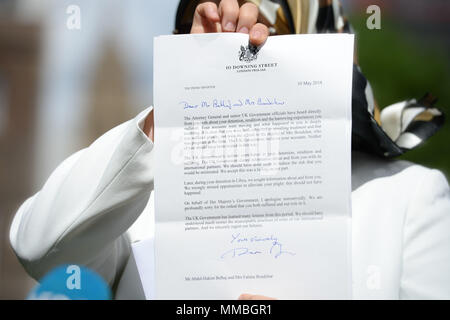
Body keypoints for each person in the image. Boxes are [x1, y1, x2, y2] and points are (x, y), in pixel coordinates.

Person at [9, 0, 450, 299]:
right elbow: (41, 247)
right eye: (204, 38)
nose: (235, 52)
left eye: (259, 38)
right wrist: (172, 110)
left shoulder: (408, 199)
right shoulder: (137, 200)